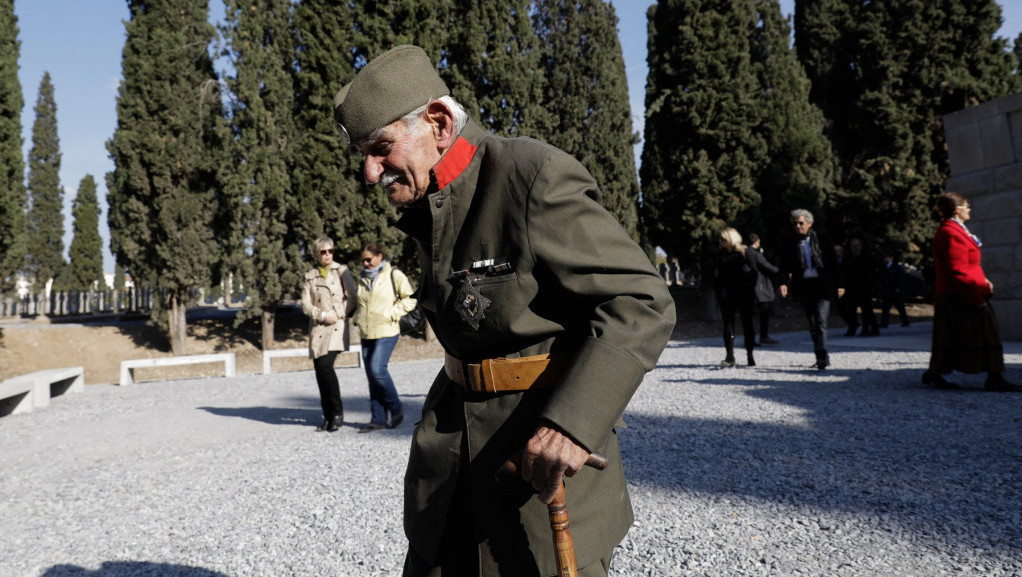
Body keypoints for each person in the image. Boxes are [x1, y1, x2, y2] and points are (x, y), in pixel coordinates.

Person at [333, 45, 675, 576]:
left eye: (380, 148)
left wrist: (573, 425)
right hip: (448, 468)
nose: (369, 171)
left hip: (537, 473)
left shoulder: (531, 176)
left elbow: (642, 300)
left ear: (439, 122)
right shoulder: (432, 198)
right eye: (362, 153)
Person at [921, 193, 1020, 392]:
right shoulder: (950, 233)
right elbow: (958, 270)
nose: (969, 210)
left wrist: (981, 280)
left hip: (960, 292)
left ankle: (935, 372)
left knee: (952, 335)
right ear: (957, 210)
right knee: (985, 333)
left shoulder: (956, 231)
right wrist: (980, 288)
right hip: (960, 294)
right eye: (967, 207)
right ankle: (994, 377)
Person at [353, 242, 417, 432]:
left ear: (380, 256)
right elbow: (359, 303)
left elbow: (411, 298)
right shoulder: (362, 278)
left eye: (368, 259)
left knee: (377, 370)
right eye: (363, 260)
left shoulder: (393, 274)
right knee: (371, 376)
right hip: (366, 332)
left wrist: (393, 313)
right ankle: (378, 419)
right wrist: (357, 317)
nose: (365, 263)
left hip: (387, 330)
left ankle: (396, 407)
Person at [301, 237, 357, 432]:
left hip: (336, 327)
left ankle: (337, 413)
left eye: (330, 251)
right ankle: (327, 415)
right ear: (317, 254)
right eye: (323, 251)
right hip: (319, 327)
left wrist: (338, 314)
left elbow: (353, 295)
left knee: (326, 367)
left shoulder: (342, 271)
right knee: (320, 372)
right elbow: (305, 304)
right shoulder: (310, 276)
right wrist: (322, 315)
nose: (327, 255)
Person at [778, 209, 844, 370]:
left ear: (809, 223)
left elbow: (833, 263)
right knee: (812, 322)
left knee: (821, 320)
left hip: (822, 286)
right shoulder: (790, 242)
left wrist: (840, 284)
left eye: (801, 223)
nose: (798, 226)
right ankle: (820, 353)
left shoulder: (822, 239)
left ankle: (822, 355)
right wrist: (783, 283)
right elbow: (784, 266)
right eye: (795, 224)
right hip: (804, 286)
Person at [714, 228, 758, 367]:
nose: (720, 242)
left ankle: (750, 355)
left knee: (747, 324)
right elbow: (717, 275)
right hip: (727, 295)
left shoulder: (745, 252)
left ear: (731, 239)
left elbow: (754, 272)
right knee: (728, 325)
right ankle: (730, 356)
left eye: (723, 239)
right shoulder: (719, 255)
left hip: (744, 294)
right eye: (720, 239)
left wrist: (749, 288)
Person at [841, 237, 879, 337]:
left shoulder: (867, 257)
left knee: (866, 309)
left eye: (856, 246)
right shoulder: (848, 257)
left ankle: (869, 328)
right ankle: (852, 328)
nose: (854, 248)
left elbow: (870, 273)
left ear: (860, 247)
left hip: (864, 288)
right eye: (852, 246)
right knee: (851, 310)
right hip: (851, 288)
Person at [747, 233, 780, 345]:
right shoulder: (755, 254)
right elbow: (767, 266)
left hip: (752, 285)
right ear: (757, 241)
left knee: (752, 314)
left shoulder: (746, 252)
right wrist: (780, 272)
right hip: (760, 285)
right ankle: (763, 336)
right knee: (764, 312)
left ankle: (752, 337)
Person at [878, 252, 910, 328]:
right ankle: (884, 323)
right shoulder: (883, 268)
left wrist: (898, 288)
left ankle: (905, 321)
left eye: (887, 257)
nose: (885, 259)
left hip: (895, 291)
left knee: (900, 306)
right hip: (887, 291)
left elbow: (900, 278)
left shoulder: (896, 267)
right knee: (885, 308)